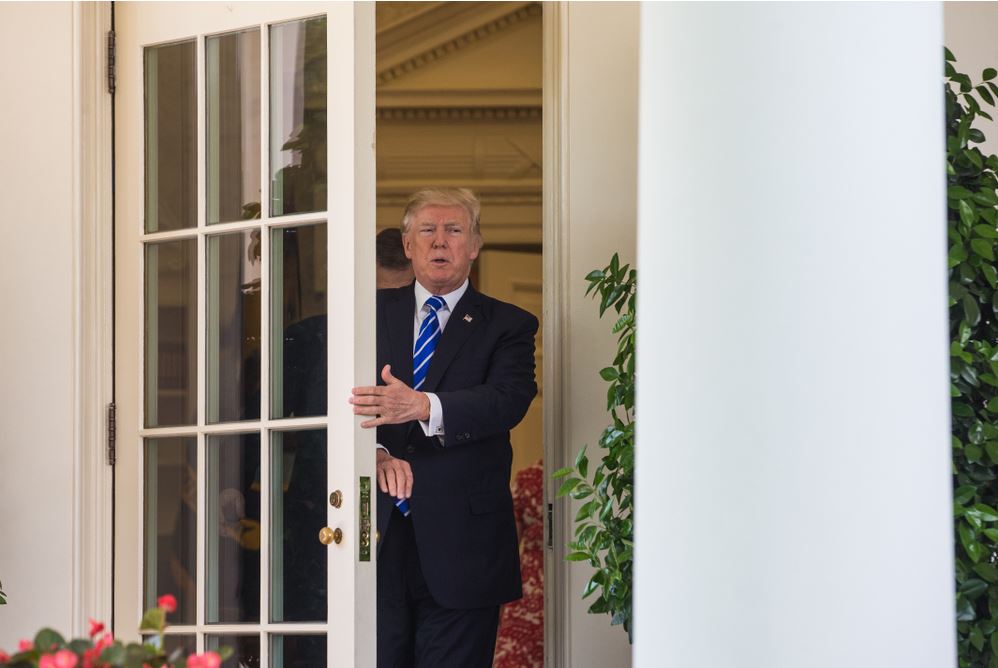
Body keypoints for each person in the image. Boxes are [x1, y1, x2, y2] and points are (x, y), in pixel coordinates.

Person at [350, 188, 538, 667]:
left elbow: (507, 401)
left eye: (454, 230)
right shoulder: (362, 317)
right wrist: (371, 454)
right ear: (408, 245)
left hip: (464, 548)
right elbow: (329, 407)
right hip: (376, 538)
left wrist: (422, 405)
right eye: (427, 231)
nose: (440, 242)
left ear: (474, 245)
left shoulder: (509, 324)